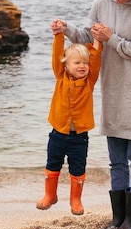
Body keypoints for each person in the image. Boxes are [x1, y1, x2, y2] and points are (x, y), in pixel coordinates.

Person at [51, 0, 131, 229]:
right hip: (111, 91)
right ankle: (118, 217)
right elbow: (89, 37)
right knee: (116, 160)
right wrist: (67, 31)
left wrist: (111, 38)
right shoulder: (102, 3)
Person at [37, 19, 103, 215]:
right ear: (66, 65)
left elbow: (96, 58)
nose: (82, 66)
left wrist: (98, 41)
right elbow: (57, 55)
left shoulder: (89, 81)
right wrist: (59, 34)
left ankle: (76, 200)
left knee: (77, 167)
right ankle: (50, 195)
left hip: (79, 137)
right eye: (77, 63)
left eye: (84, 63)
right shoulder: (60, 76)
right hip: (57, 133)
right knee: (52, 164)